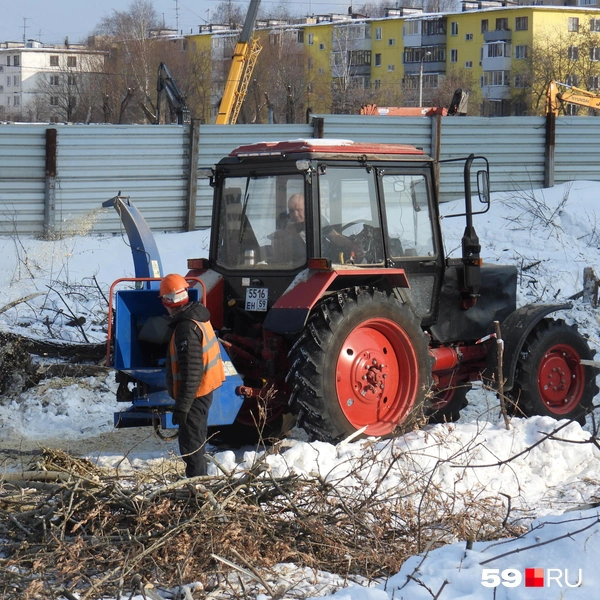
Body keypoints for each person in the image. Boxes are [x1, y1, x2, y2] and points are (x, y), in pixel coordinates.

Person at [160, 273, 225, 477]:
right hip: (202, 391)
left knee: (192, 446)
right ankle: (197, 484)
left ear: (167, 302)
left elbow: (192, 372)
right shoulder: (196, 316)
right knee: (194, 441)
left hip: (195, 394)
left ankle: (197, 488)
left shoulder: (186, 328)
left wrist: (182, 406)